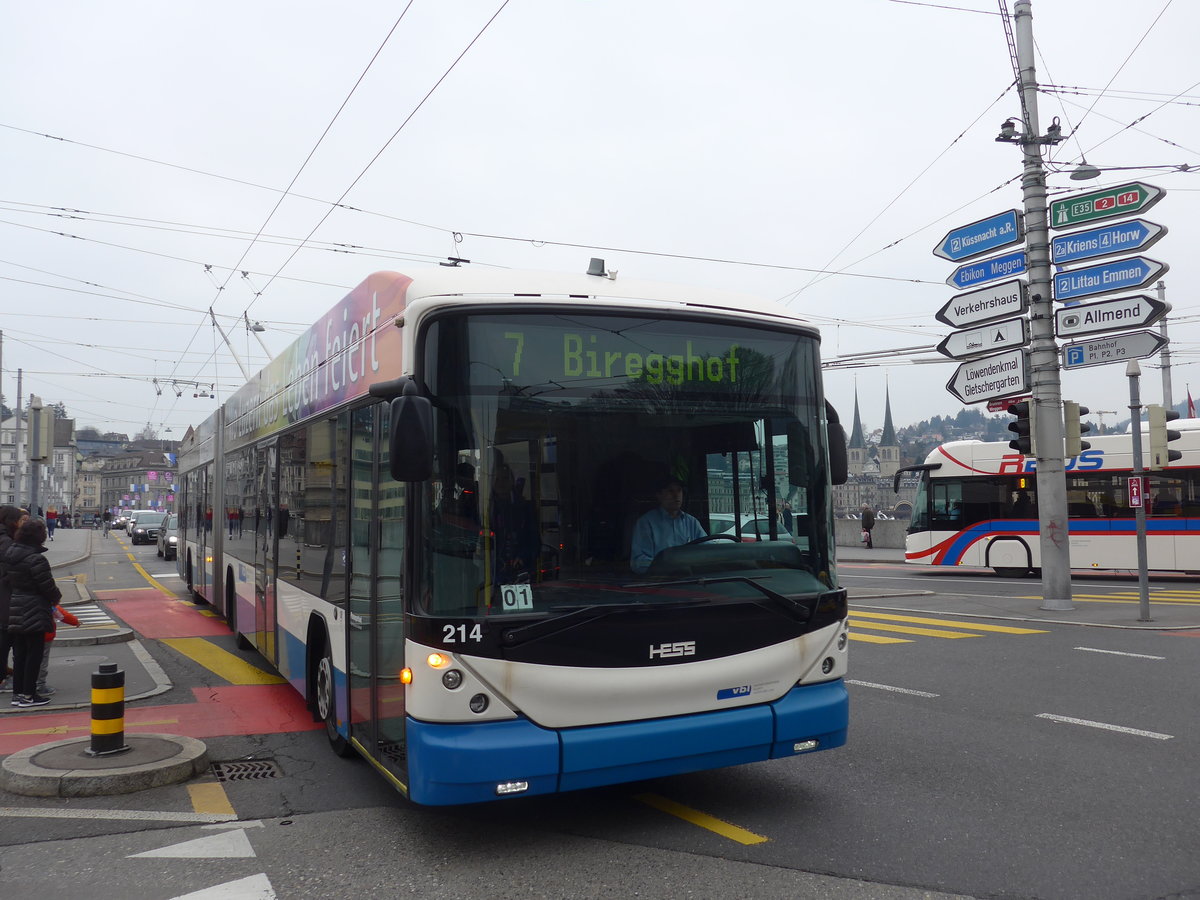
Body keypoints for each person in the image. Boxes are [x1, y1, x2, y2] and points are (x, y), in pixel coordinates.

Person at [3, 517, 61, 708]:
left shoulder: (11, 553)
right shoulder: (36, 558)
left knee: (20, 654)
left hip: (16, 604)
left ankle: (18, 693)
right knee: (34, 654)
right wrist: (56, 598)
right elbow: (47, 586)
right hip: (34, 607)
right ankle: (29, 695)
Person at [630, 476, 707, 574]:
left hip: (690, 580)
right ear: (659, 495)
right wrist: (669, 567)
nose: (676, 495)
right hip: (660, 583)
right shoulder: (646, 523)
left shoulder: (691, 522)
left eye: (679, 490)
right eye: (670, 491)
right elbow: (638, 562)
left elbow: (706, 550)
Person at [488, 464, 539, 582]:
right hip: (491, 572)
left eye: (505, 478)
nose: (501, 483)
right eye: (497, 479)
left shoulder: (525, 508)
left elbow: (534, 541)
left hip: (521, 571)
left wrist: (522, 557)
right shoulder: (485, 508)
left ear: (512, 481)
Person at [0, 505, 29, 694]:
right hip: (6, 598)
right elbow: (13, 570)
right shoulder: (6, 542)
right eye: (19, 520)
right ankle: (3, 678)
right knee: (6, 640)